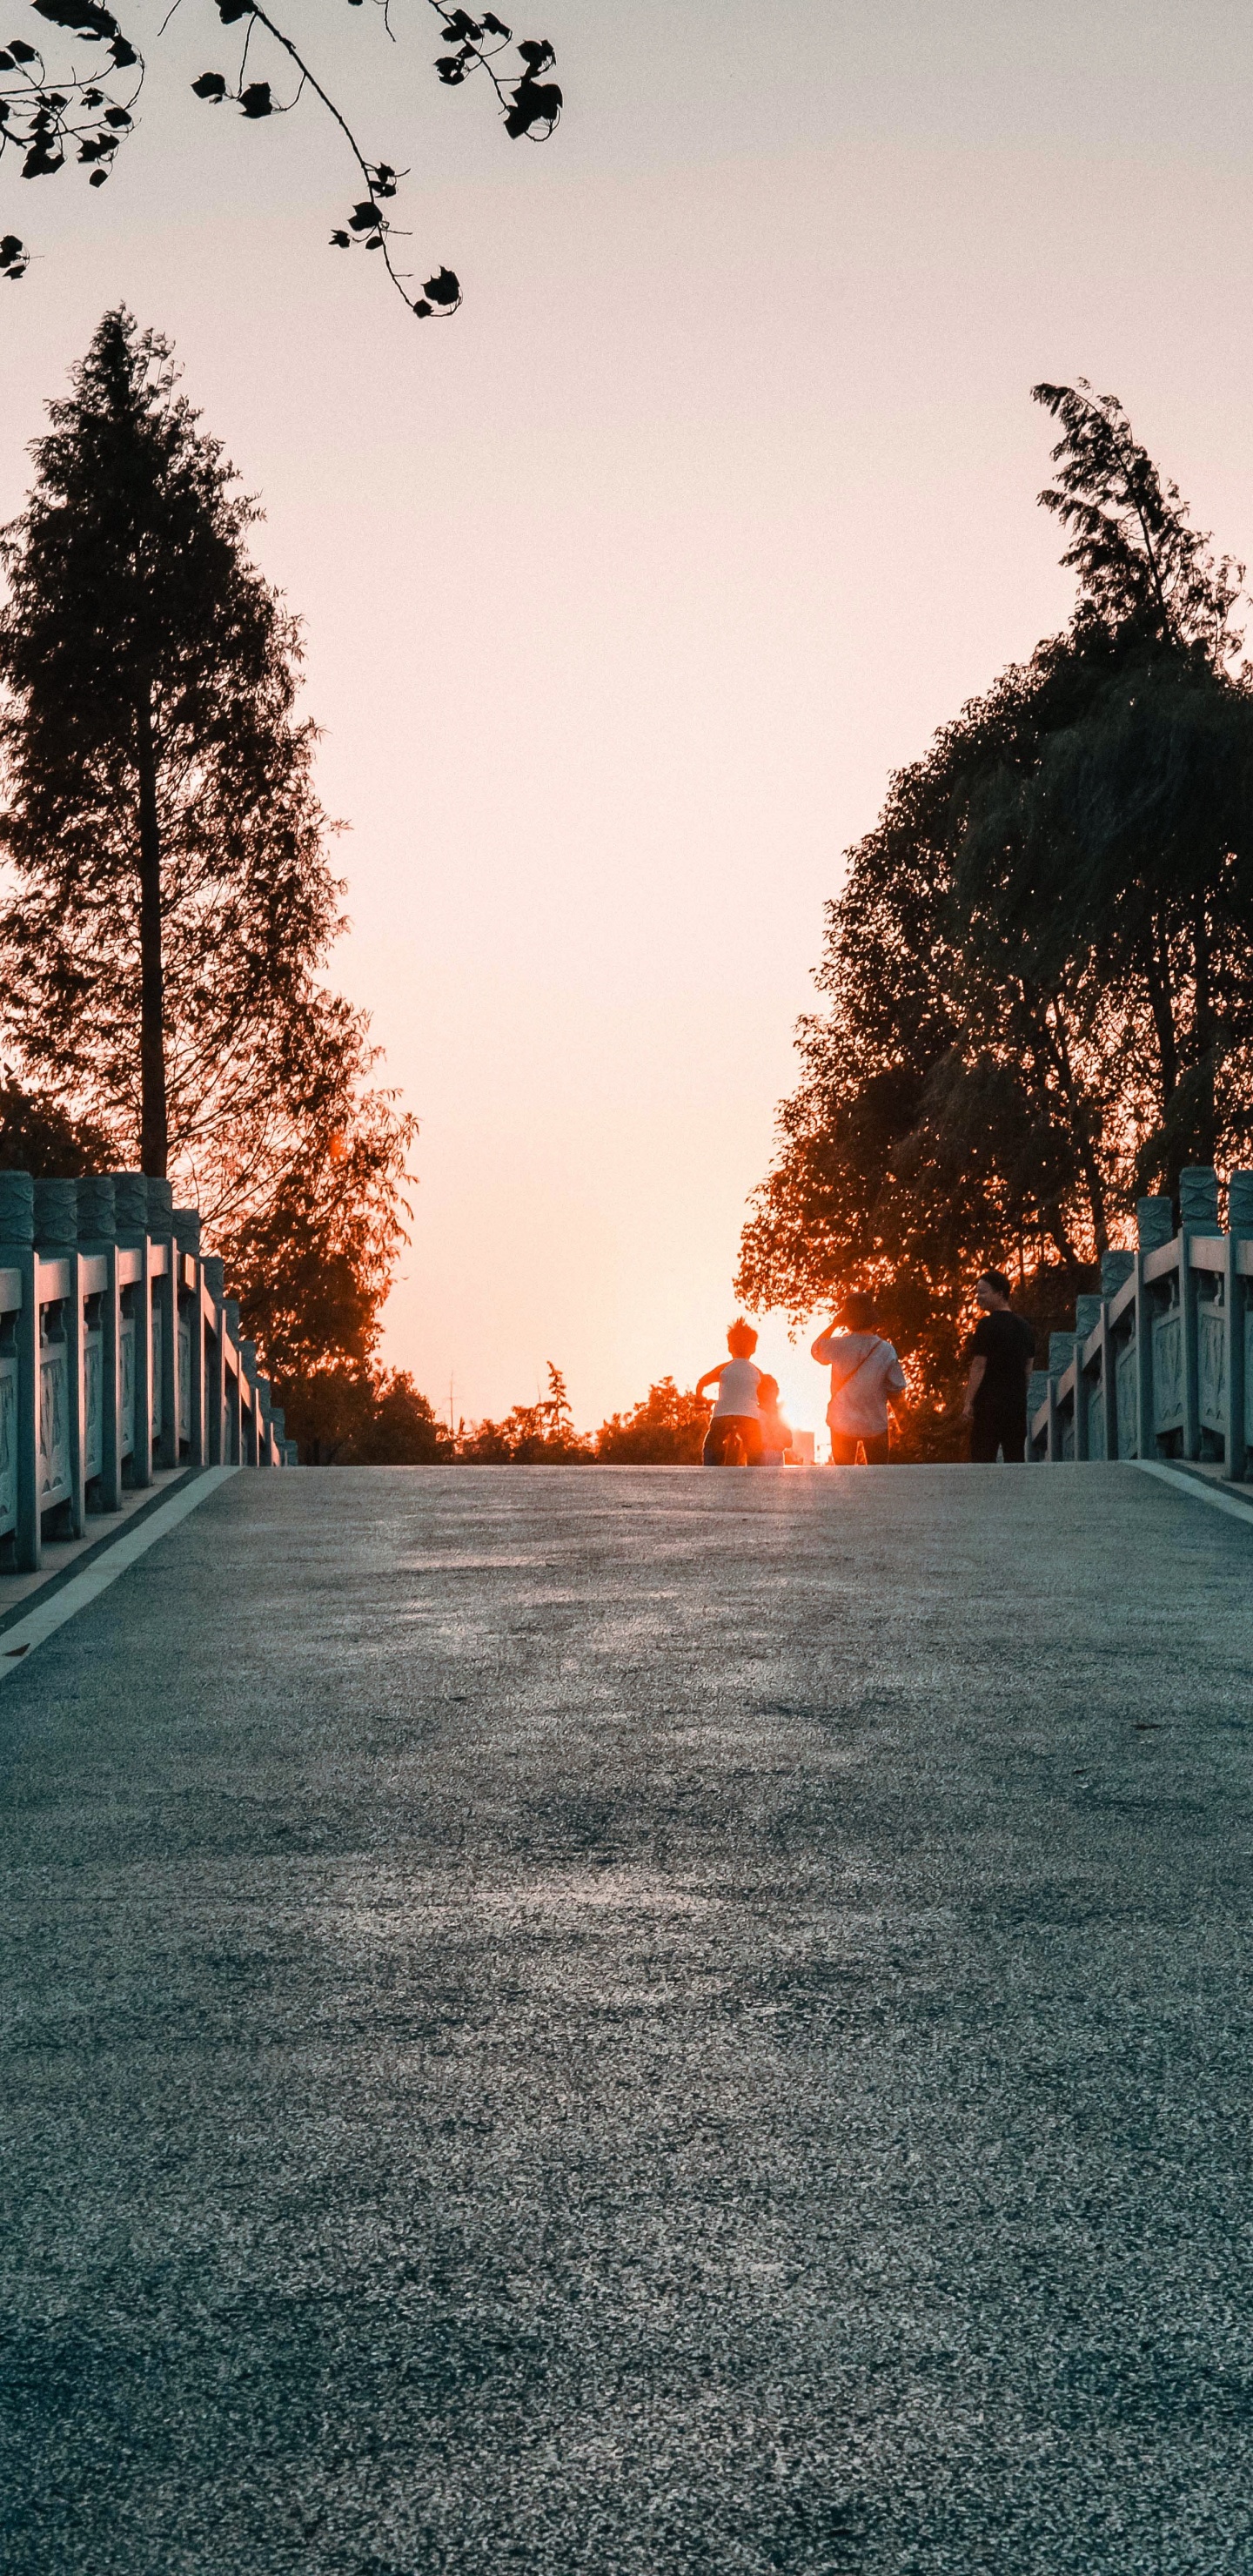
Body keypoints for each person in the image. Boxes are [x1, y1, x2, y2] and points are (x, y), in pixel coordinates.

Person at [811, 1292, 906, 1464]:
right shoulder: (886, 1350)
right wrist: (904, 1423)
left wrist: (834, 1324)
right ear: (872, 1319)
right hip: (875, 1424)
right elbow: (895, 1391)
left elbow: (816, 1350)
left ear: (847, 1319)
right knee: (878, 1480)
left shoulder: (838, 1346)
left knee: (845, 1479)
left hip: (841, 1423)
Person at [962, 1269, 1035, 1462]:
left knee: (982, 1460)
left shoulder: (986, 1325)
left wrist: (968, 1402)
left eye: (983, 1292)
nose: (978, 1297)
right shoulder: (1025, 1327)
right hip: (1016, 1405)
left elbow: (979, 1365)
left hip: (989, 1405)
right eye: (977, 1292)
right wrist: (1020, 1393)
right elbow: (1028, 1368)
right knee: (1015, 1459)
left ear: (1000, 1294)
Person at [696, 1319, 765, 1466]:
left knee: (711, 1445)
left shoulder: (724, 1368)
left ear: (729, 1347)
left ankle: (710, 1469)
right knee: (756, 1450)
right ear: (753, 1348)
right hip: (749, 1416)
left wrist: (700, 1398)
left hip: (723, 1415)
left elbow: (702, 1382)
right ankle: (757, 1474)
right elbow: (767, 1390)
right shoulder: (757, 1372)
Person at [755, 1374, 793, 1467]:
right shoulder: (755, 1414)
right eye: (766, 1390)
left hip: (776, 1460)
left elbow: (788, 1442)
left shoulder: (780, 1416)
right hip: (759, 1460)